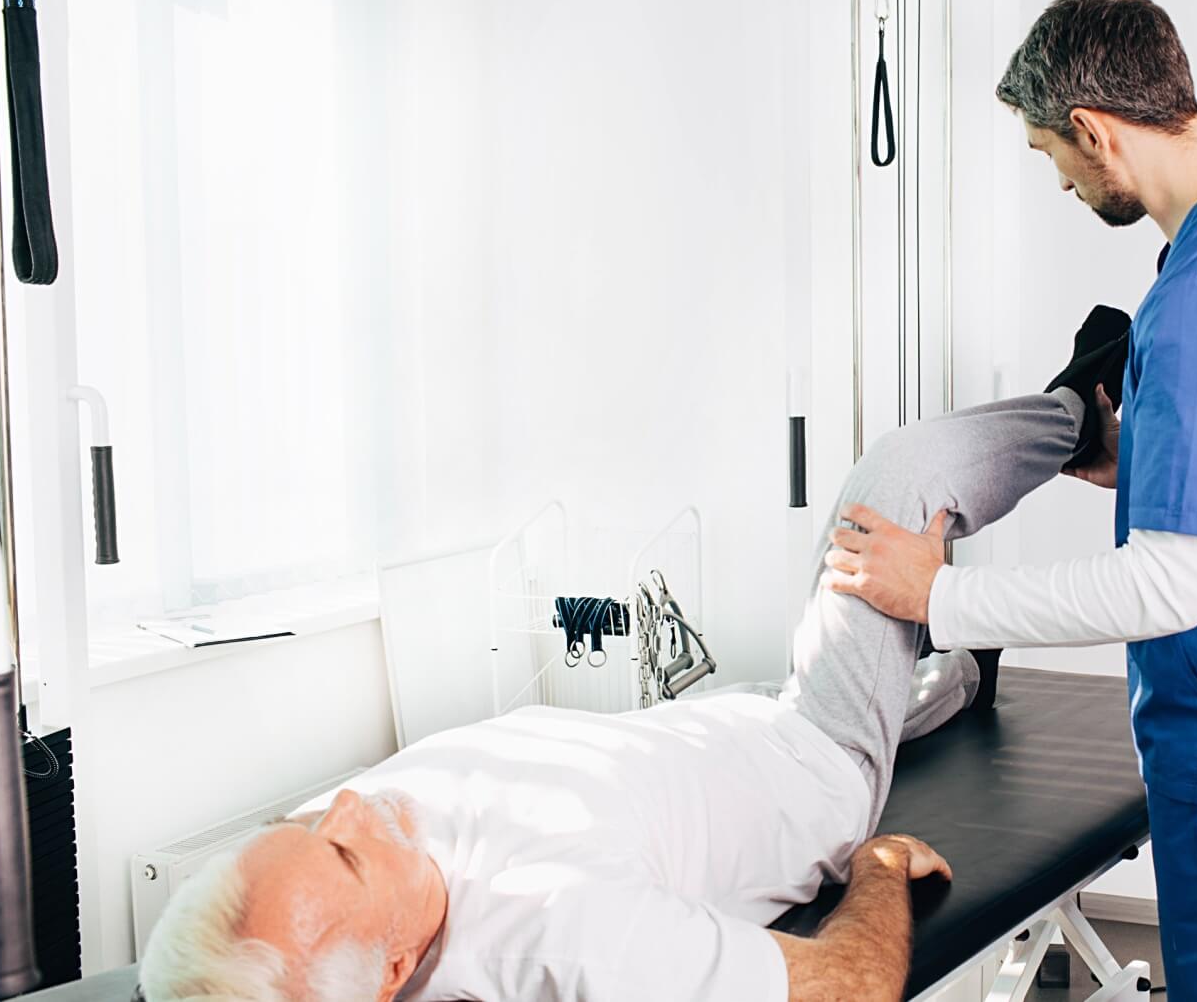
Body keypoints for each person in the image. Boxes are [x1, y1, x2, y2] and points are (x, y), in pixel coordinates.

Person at [136, 310, 1130, 1002]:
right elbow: (844, 986)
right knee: (893, 482)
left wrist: (321, 849)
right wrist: (874, 868)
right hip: (810, 760)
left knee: (895, 670)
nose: (347, 804)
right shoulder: (568, 933)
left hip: (707, 730)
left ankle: (952, 676)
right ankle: (1083, 413)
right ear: (395, 972)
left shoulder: (313, 913)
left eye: (309, 826)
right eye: (344, 848)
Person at [823, 0, 1197, 1002]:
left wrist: (936, 598)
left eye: (1053, 156)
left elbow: (1168, 588)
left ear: (1094, 130)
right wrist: (1150, 465)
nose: (1060, 181)